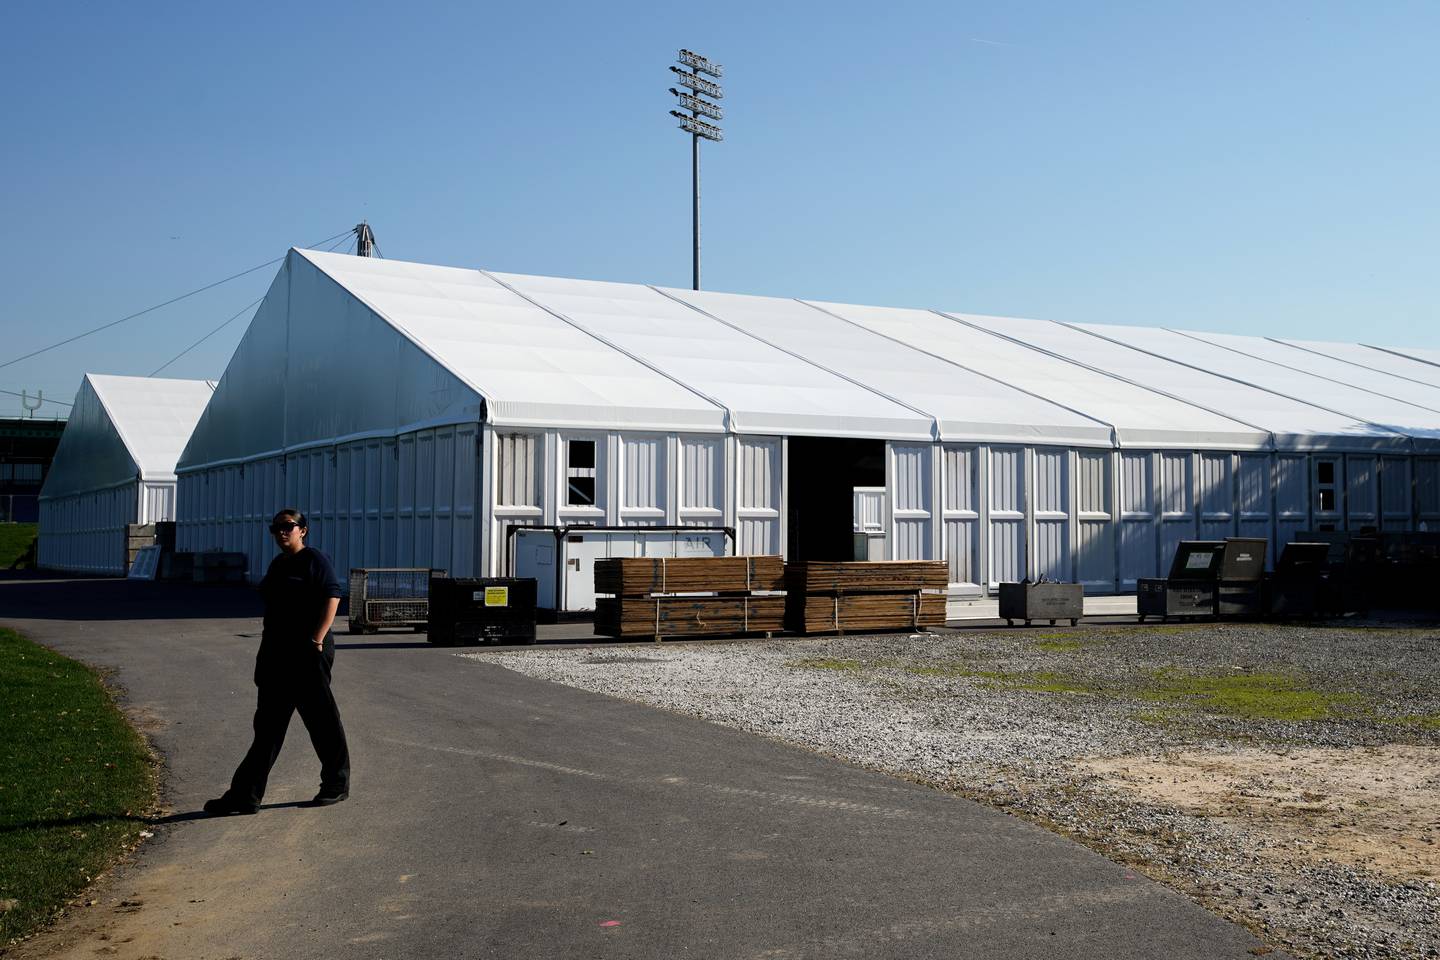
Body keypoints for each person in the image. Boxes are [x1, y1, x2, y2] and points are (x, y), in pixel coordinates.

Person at [204, 509, 350, 815]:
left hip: (309, 651)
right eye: (276, 528)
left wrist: (317, 639)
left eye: (288, 527)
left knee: (321, 720)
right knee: (267, 727)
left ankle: (336, 784)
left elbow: (332, 597)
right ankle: (245, 795)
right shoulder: (278, 564)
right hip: (276, 654)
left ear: (303, 530)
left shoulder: (314, 560)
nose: (281, 532)